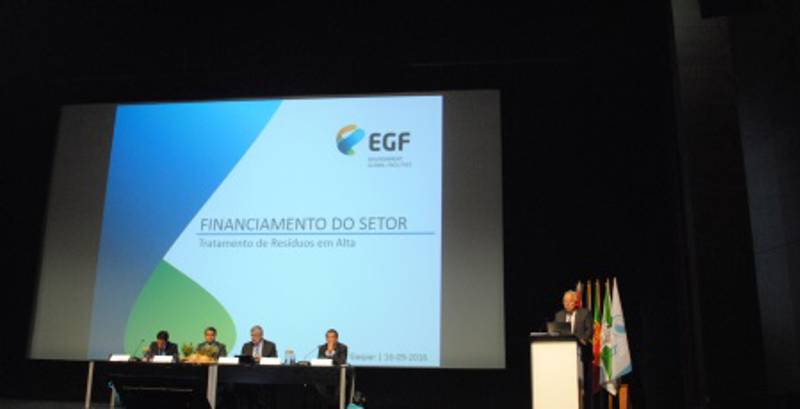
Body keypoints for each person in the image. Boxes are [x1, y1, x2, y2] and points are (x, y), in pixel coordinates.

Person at [555, 289, 594, 409]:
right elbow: (556, 332)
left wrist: (582, 339)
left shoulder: (585, 313)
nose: (567, 304)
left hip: (581, 354)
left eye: (570, 301)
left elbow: (590, 330)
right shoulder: (559, 315)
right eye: (564, 301)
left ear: (576, 302)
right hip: (563, 356)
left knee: (581, 385)